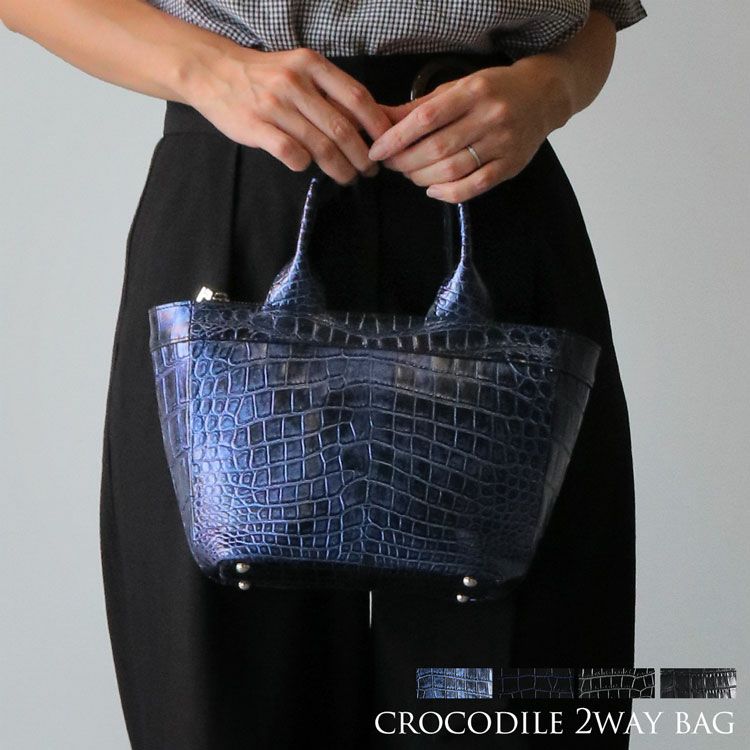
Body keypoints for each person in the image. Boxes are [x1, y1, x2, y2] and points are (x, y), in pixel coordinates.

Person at [1, 1, 647, 747]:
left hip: (485, 184)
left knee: (521, 701)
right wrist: (211, 71)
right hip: (246, 192)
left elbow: (599, 12)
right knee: (222, 704)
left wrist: (550, 88)